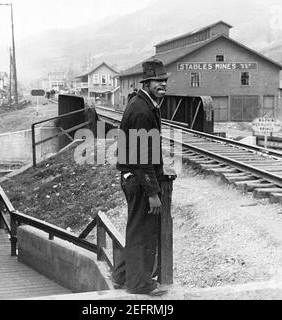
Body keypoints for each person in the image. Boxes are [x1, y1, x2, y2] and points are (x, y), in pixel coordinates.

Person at [113, 59, 170, 296]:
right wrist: (153, 192)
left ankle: (123, 276)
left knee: (136, 228)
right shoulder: (142, 111)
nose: (162, 85)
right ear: (146, 83)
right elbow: (142, 158)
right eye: (157, 81)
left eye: (164, 81)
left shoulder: (143, 104)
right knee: (143, 232)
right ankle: (140, 284)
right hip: (138, 180)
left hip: (133, 177)